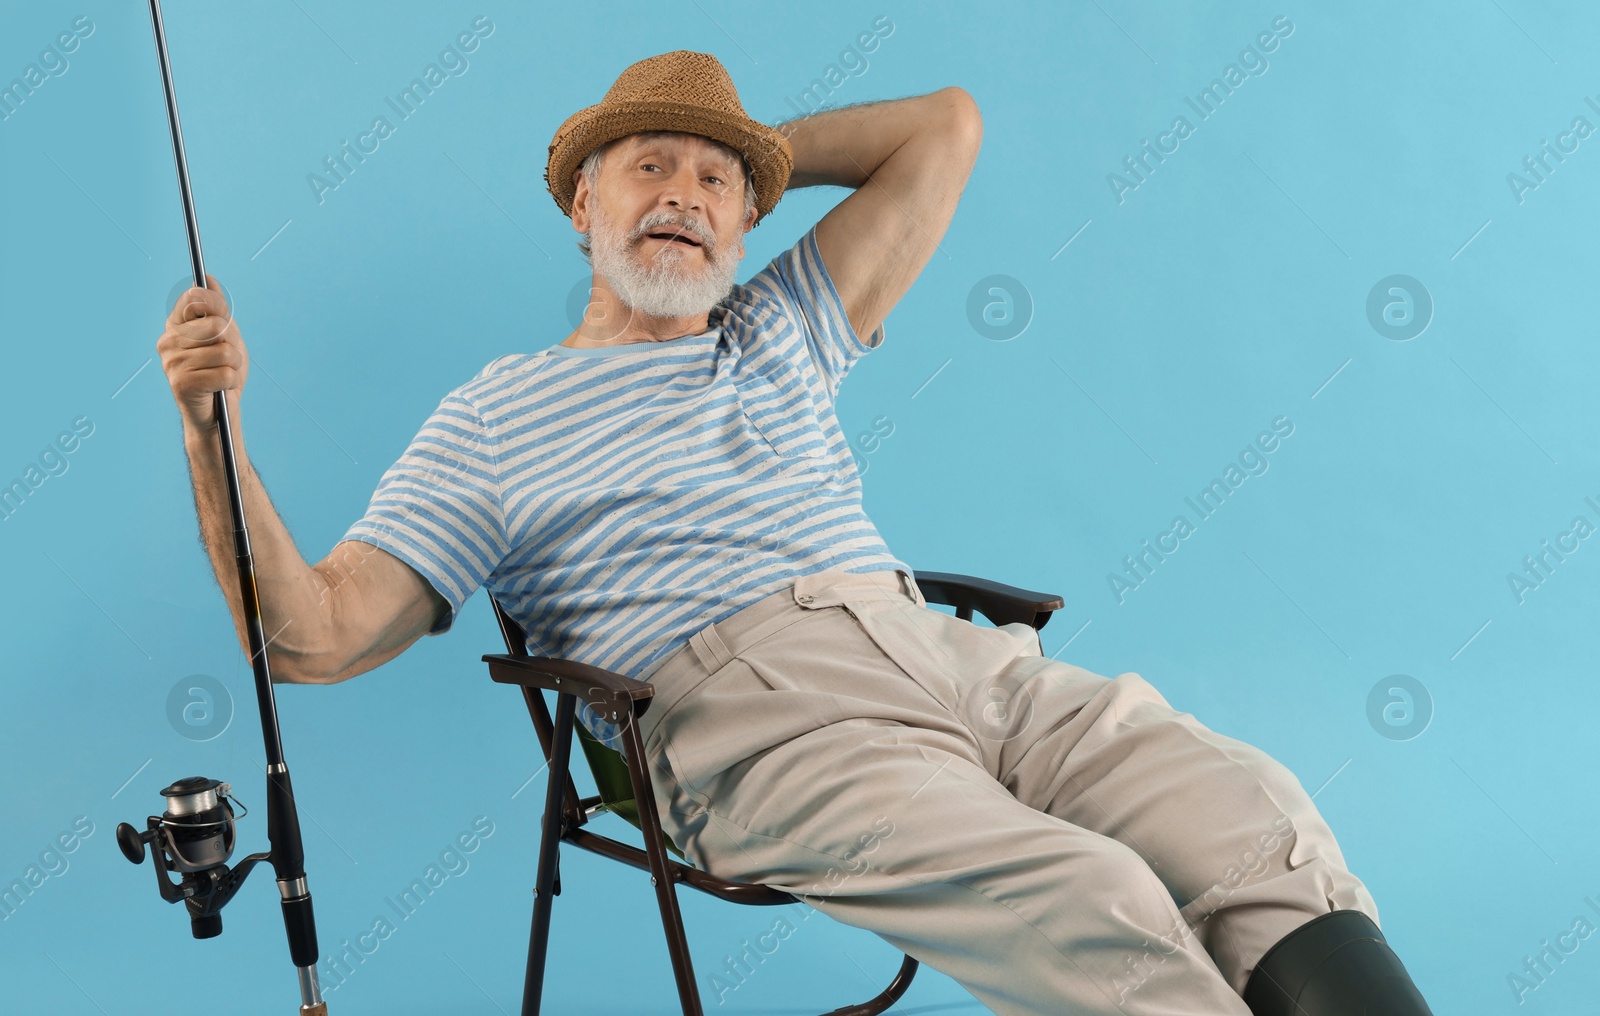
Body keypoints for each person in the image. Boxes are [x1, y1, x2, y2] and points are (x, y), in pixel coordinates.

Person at [157, 50, 1433, 1016]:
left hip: (940, 652)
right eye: (646, 165)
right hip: (752, 727)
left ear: (746, 221)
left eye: (714, 181)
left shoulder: (778, 326)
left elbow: (945, 127)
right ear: (580, 204)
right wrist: (211, 430)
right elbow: (311, 635)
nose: (684, 194)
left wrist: (757, 151)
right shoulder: (497, 412)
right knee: (1091, 896)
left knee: (1244, 812)